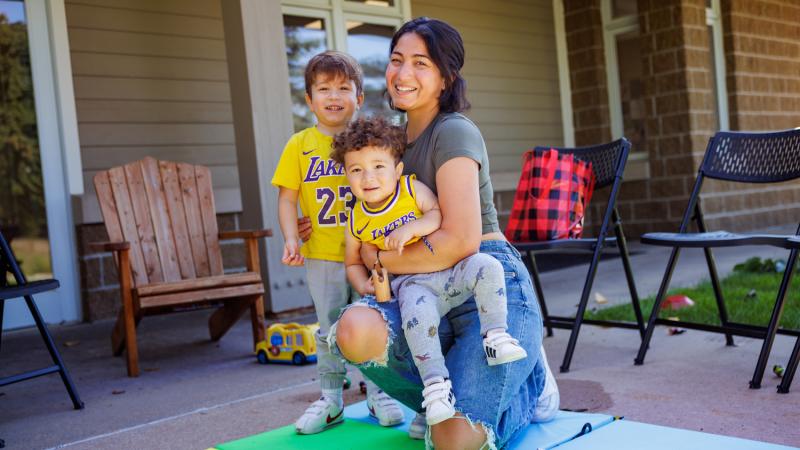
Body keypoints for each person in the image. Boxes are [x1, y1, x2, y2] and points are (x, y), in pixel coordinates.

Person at [326, 18, 560, 449]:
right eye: (396, 60)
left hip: (482, 287)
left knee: (452, 444)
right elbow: (358, 207)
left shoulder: (452, 130)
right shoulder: (389, 147)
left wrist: (377, 260)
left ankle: (529, 384)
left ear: (446, 77)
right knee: (354, 331)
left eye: (421, 63)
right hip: (420, 291)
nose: (403, 73)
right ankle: (446, 398)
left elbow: (459, 241)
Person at [330, 116, 528, 426]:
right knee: (416, 322)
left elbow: (436, 214)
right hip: (413, 286)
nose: (368, 177)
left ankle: (496, 334)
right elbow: (353, 261)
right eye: (357, 170)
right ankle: (435, 388)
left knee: (487, 266)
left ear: (397, 170)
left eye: (378, 167)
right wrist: (363, 284)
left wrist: (413, 227)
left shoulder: (410, 189)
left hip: (449, 272)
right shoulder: (356, 219)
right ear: (347, 175)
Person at [271, 50, 405, 435]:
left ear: (359, 98)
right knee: (329, 328)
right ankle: (331, 398)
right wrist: (292, 237)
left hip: (368, 254)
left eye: (344, 88)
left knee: (376, 322)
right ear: (309, 100)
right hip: (324, 255)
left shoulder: (367, 142)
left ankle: (380, 393)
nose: (334, 96)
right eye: (324, 89)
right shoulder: (300, 145)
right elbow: (287, 197)